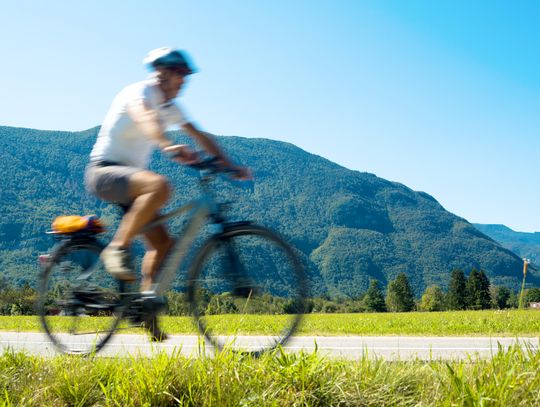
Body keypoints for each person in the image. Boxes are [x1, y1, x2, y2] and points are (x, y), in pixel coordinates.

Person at [84, 47, 251, 340]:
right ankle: (116, 247)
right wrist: (166, 144)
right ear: (163, 72)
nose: (185, 80)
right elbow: (146, 119)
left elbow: (200, 136)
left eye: (187, 75)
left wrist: (231, 165)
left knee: (163, 243)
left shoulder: (171, 107)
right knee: (159, 185)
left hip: (131, 184)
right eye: (181, 74)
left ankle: (145, 309)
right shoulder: (140, 93)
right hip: (105, 172)